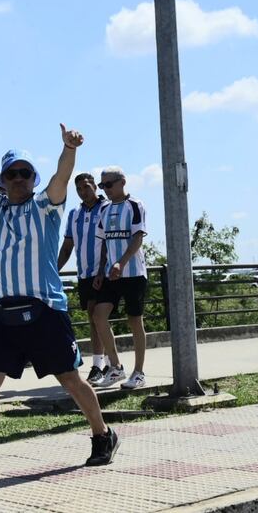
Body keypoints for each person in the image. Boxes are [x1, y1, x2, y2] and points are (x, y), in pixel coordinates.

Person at [0, 125, 119, 480]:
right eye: (12, 173)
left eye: (25, 173)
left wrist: (68, 149)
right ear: (2, 179)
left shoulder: (46, 205)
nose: (19, 178)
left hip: (45, 308)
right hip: (4, 310)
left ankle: (103, 434)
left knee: (70, 379)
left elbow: (62, 175)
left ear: (34, 178)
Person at [92, 166, 148, 390]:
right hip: (111, 274)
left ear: (122, 182)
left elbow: (137, 238)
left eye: (108, 184)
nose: (105, 189)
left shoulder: (135, 205)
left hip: (133, 273)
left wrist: (122, 262)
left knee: (135, 320)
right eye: (102, 185)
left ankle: (139, 372)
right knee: (98, 315)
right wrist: (100, 271)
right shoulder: (104, 209)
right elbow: (104, 242)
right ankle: (115, 367)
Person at [57, 173, 110, 385]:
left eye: (86, 186)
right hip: (84, 273)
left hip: (103, 272)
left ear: (95, 186)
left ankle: (99, 364)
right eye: (79, 188)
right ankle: (106, 362)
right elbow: (68, 245)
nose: (83, 191)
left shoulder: (106, 209)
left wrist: (102, 270)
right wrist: (54, 268)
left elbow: (108, 241)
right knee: (92, 317)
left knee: (99, 316)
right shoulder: (74, 214)